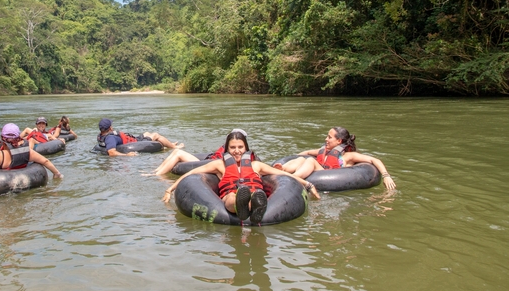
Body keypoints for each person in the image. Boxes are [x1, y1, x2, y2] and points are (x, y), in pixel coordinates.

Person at [162, 131, 321, 224]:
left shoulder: (256, 166)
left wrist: (308, 185)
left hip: (254, 193)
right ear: (227, 149)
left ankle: (254, 203)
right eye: (232, 148)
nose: (237, 151)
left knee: (254, 195)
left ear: (246, 149)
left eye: (240, 147)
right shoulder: (220, 165)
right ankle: (242, 203)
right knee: (232, 197)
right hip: (230, 197)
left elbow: (284, 175)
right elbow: (191, 174)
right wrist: (170, 189)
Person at [273, 127, 397, 190]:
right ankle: (282, 169)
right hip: (316, 172)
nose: (326, 139)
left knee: (310, 160)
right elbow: (306, 152)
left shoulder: (348, 156)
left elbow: (374, 160)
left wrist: (386, 176)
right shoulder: (323, 151)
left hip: (329, 176)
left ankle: (293, 178)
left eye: (329, 137)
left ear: (339, 141)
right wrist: (294, 157)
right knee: (302, 159)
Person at [150, 128, 257, 175]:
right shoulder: (228, 148)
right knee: (175, 152)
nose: (236, 150)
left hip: (208, 164)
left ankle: (158, 174)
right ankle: (156, 171)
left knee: (178, 153)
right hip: (207, 161)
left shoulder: (241, 155)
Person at [97, 118, 184, 157]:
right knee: (155, 135)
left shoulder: (101, 136)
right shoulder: (110, 138)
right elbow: (111, 152)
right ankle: (173, 147)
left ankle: (169, 144)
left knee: (147, 133)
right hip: (134, 143)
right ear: (110, 128)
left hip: (134, 140)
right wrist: (126, 155)